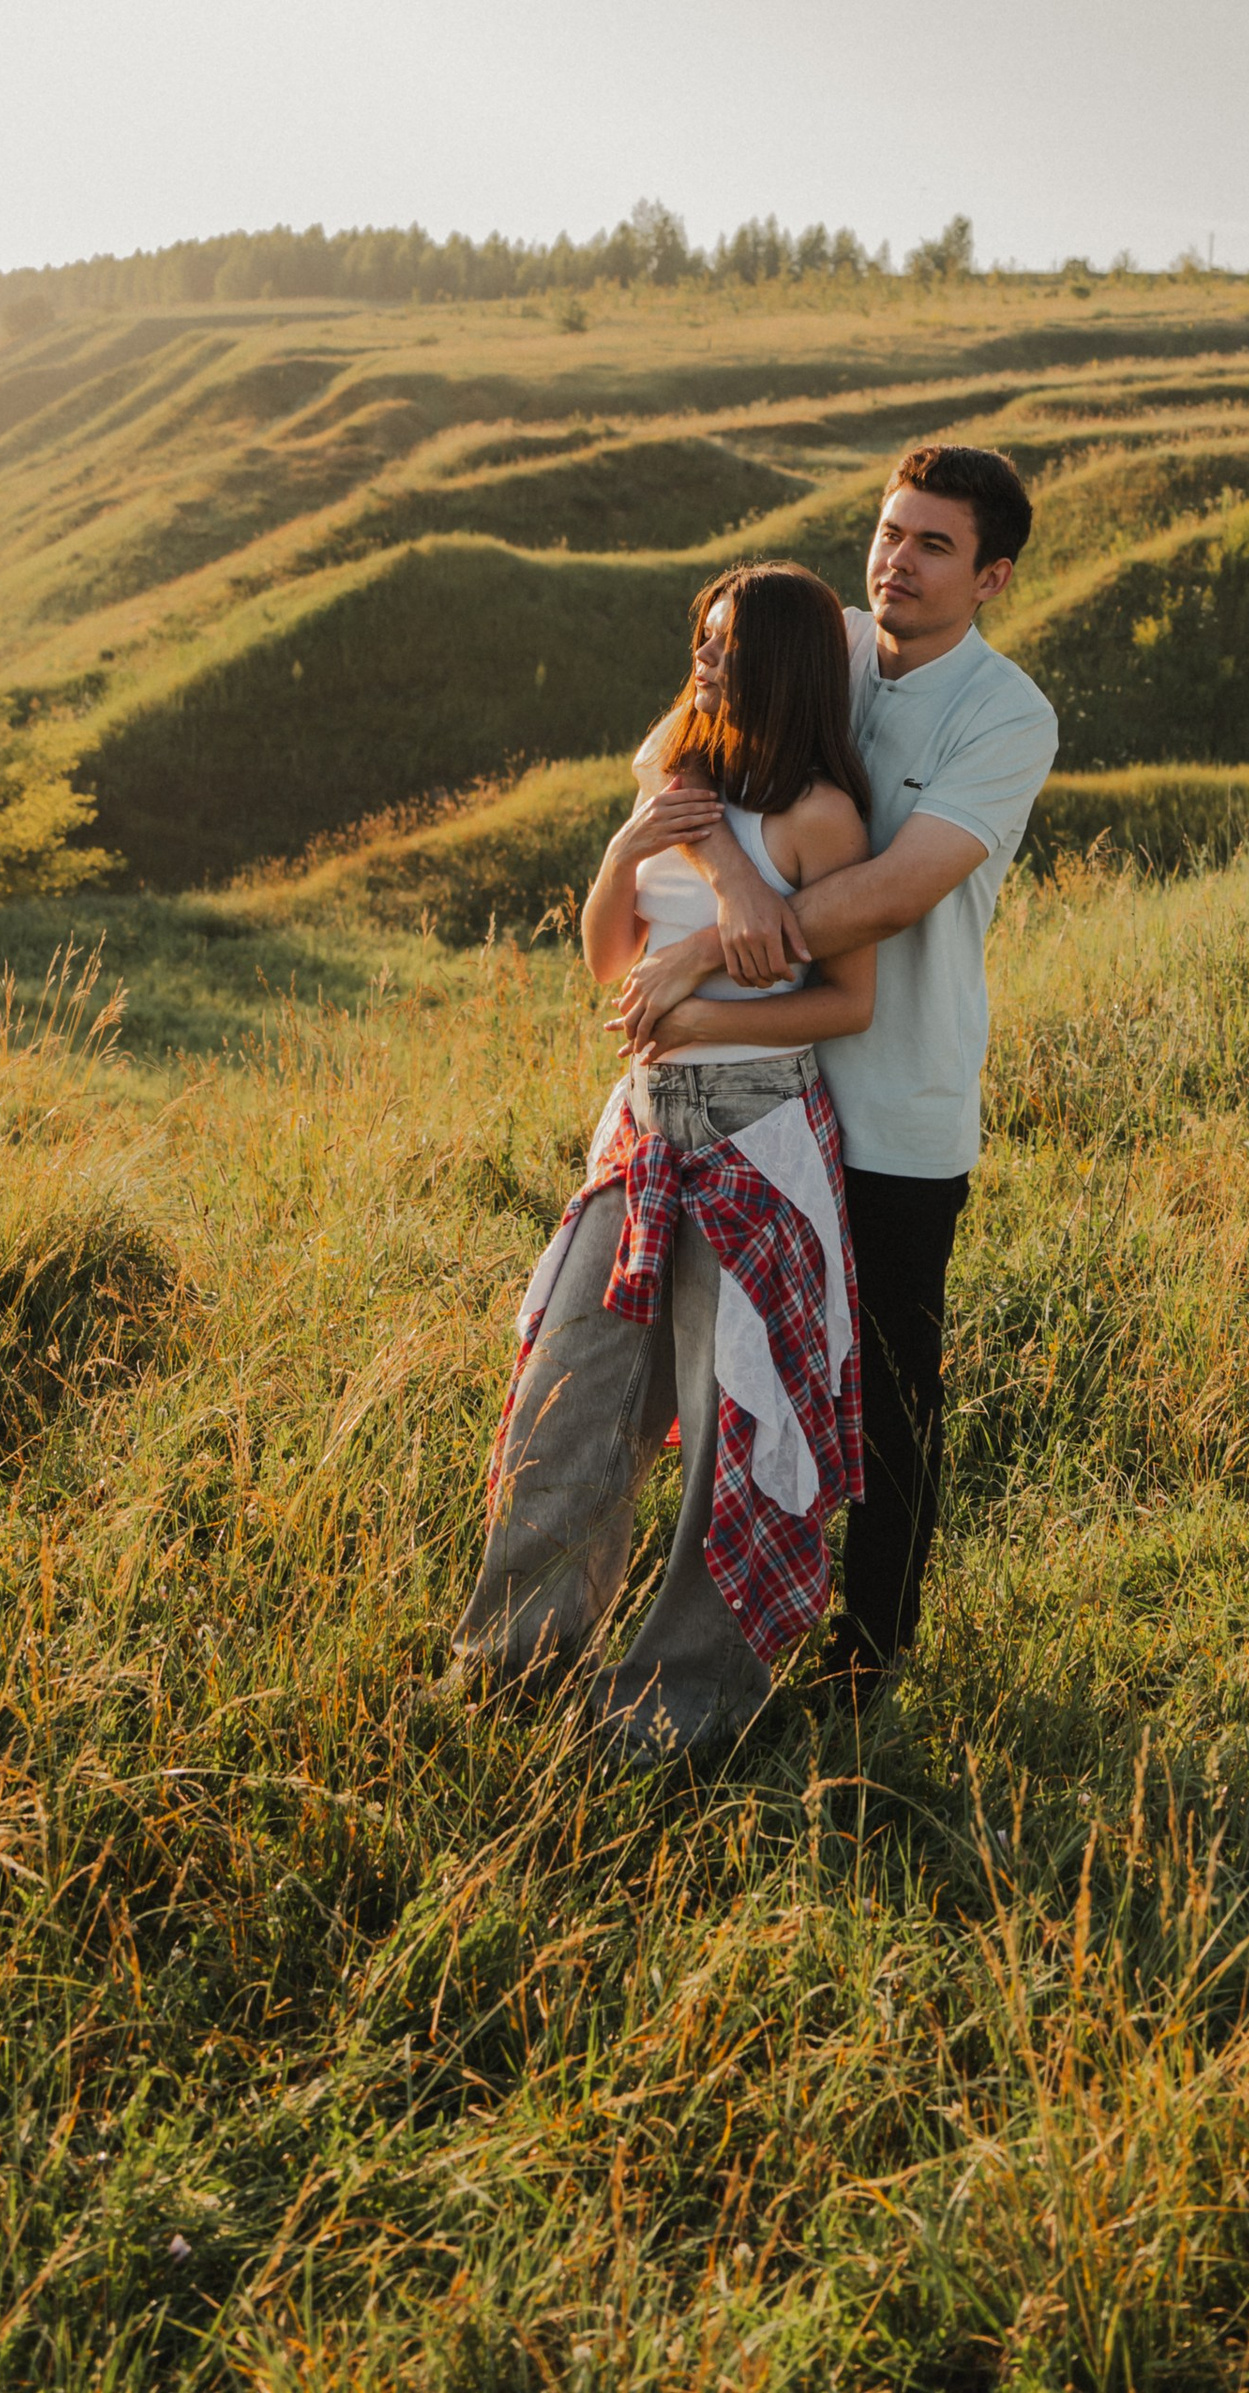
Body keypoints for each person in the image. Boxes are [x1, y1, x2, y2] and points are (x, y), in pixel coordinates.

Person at [615, 442, 1057, 1706]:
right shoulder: (828, 642)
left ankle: (869, 1652)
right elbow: (664, 759)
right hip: (750, 1099)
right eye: (888, 530)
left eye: (934, 544)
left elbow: (897, 889)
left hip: (892, 1105)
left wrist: (713, 942)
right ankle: (721, 1614)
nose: (896, 560)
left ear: (992, 578)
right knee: (735, 1371)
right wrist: (736, 880)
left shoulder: (1006, 714)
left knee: (887, 1386)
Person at [452, 560, 878, 1760]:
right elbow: (605, 960)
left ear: (781, 664)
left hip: (755, 1132)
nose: (701, 657)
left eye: (727, 643)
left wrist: (707, 1020)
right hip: (641, 1129)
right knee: (567, 1396)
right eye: (700, 634)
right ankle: (509, 1666)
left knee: (730, 1421)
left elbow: (846, 1000)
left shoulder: (817, 816)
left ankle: (675, 1708)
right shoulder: (679, 778)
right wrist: (626, 847)